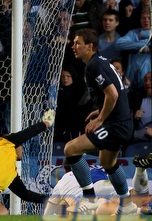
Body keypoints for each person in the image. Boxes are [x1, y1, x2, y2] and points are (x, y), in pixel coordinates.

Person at [64, 28, 136, 215]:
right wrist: (99, 111)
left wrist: (101, 119)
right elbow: (117, 93)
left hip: (116, 125)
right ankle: (127, 204)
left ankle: (89, 200)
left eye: (78, 43)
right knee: (107, 162)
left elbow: (112, 94)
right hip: (122, 122)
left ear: (90, 46)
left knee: (70, 149)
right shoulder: (101, 62)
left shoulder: (94, 66)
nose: (74, 46)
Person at [115, 7, 151, 91]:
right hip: (132, 73)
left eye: (149, 18)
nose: (146, 20)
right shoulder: (134, 33)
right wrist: (141, 45)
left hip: (148, 75)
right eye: (143, 18)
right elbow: (118, 44)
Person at [54, 66, 92, 142]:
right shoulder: (57, 91)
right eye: (63, 76)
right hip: (62, 126)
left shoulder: (80, 91)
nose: (65, 79)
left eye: (68, 76)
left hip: (76, 125)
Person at [129, 72, 152, 143]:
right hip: (137, 141)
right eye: (145, 80)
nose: (147, 83)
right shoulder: (136, 98)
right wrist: (134, 116)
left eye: (151, 80)